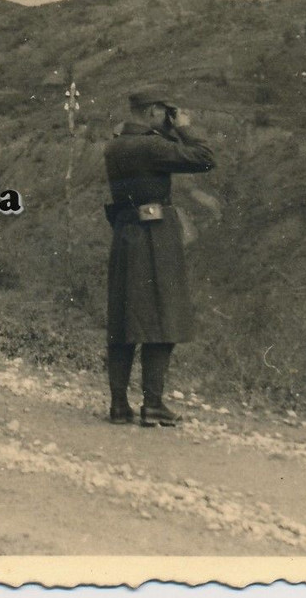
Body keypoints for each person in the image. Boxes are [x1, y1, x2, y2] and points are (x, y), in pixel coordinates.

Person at [103, 88, 215, 427]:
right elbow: (205, 157)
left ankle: (119, 404)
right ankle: (153, 403)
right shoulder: (151, 146)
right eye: (166, 112)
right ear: (154, 111)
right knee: (164, 316)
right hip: (155, 235)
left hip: (125, 233)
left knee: (124, 320)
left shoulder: (115, 144)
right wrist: (183, 127)